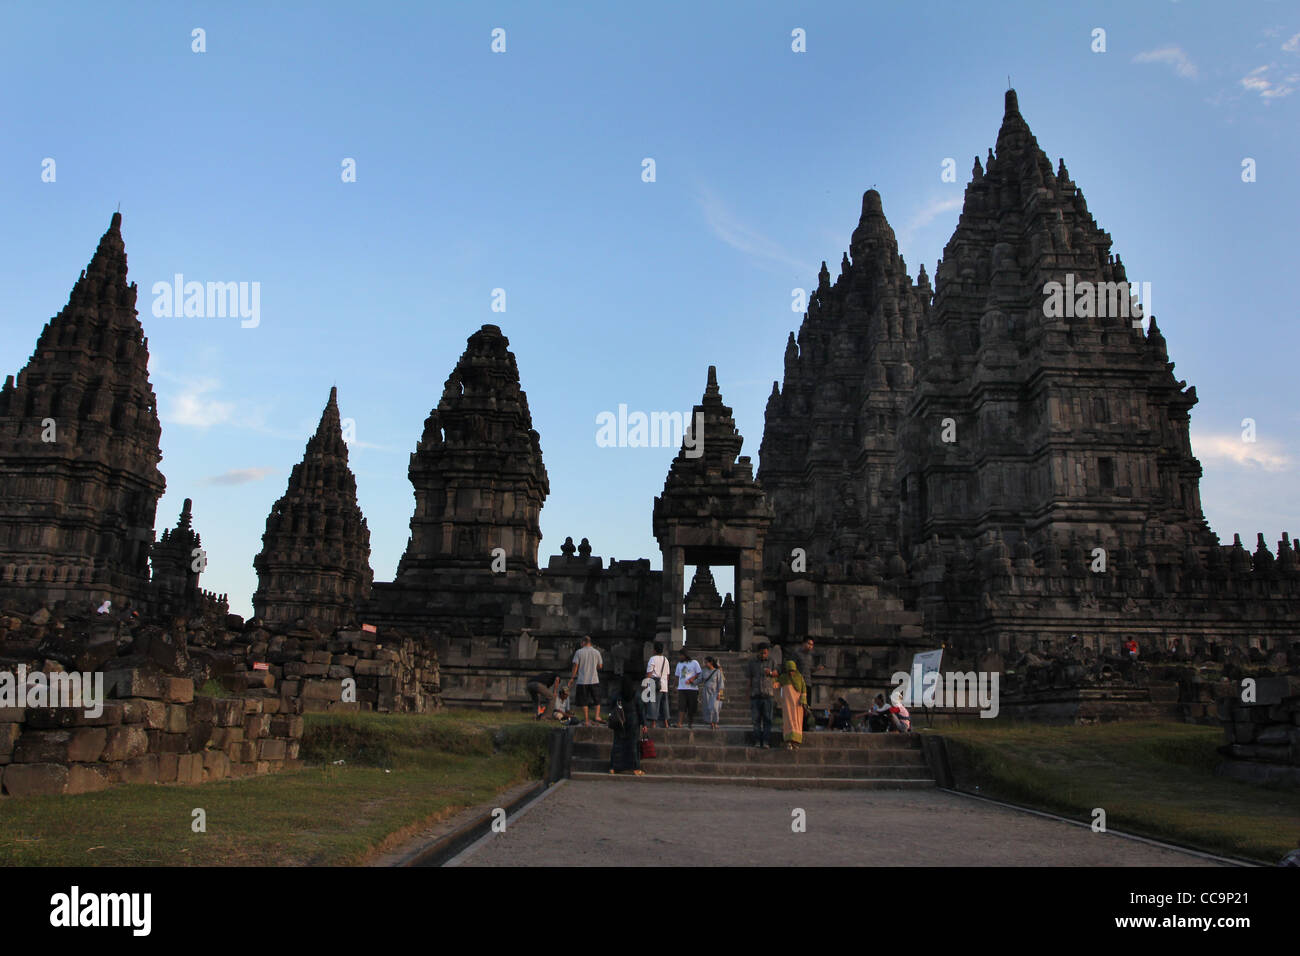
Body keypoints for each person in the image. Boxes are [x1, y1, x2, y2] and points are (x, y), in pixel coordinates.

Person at [607, 674, 645, 775]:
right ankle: (636, 768)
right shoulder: (635, 695)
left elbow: (611, 706)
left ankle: (613, 767)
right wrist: (643, 723)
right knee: (633, 745)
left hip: (620, 721)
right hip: (633, 721)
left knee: (617, 744)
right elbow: (640, 710)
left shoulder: (617, 695)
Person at [787, 638, 825, 732]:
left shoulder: (810, 656)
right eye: (808, 643)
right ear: (803, 643)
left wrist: (817, 669)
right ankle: (796, 725)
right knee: (797, 706)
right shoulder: (796, 654)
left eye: (812, 645)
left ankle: (805, 725)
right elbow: (791, 668)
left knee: (807, 706)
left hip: (808, 683)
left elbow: (809, 670)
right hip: (798, 684)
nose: (810, 646)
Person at [746, 644, 778, 748]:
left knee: (767, 719)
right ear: (758, 652)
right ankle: (757, 740)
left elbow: (777, 673)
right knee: (756, 720)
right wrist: (748, 692)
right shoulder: (752, 663)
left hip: (768, 694)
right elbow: (749, 678)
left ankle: (766, 741)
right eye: (762, 652)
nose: (764, 655)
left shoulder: (771, 661)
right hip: (755, 694)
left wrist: (771, 673)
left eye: (765, 652)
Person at [568, 635, 603, 726]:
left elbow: (575, 666)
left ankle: (587, 719)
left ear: (583, 642)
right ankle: (597, 716)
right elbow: (600, 666)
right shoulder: (596, 652)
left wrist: (572, 678)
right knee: (597, 699)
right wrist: (592, 666)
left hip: (582, 680)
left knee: (584, 701)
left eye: (581, 643)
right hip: (594, 679)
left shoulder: (579, 652)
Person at [776, 659, 807, 749]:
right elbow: (777, 684)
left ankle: (795, 742)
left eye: (793, 671)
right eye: (789, 671)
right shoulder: (783, 678)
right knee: (788, 722)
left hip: (798, 705)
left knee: (797, 722)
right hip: (788, 705)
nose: (791, 673)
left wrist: (803, 700)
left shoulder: (799, 677)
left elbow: (804, 689)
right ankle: (788, 742)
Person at [644, 640, 672, 728]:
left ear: (654, 650)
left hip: (654, 683)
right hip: (664, 684)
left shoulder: (653, 659)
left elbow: (649, 673)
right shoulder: (665, 659)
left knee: (653, 704)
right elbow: (667, 675)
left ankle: (653, 723)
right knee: (664, 704)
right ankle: (666, 722)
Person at [675, 649, 702, 729]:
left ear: (685, 655)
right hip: (682, 688)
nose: (679, 657)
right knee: (681, 706)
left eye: (681, 655)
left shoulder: (694, 663)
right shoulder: (679, 664)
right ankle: (679, 723)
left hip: (692, 689)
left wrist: (692, 679)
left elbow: (699, 673)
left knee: (691, 707)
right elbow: (677, 676)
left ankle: (690, 723)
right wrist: (674, 686)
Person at [697, 656, 725, 730]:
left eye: (706, 662)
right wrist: (691, 681)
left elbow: (720, 683)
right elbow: (699, 680)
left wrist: (719, 693)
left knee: (715, 708)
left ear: (711, 662)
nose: (705, 664)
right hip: (706, 691)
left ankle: (715, 722)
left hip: (715, 692)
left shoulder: (717, 671)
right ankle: (711, 723)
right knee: (707, 708)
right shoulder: (704, 671)